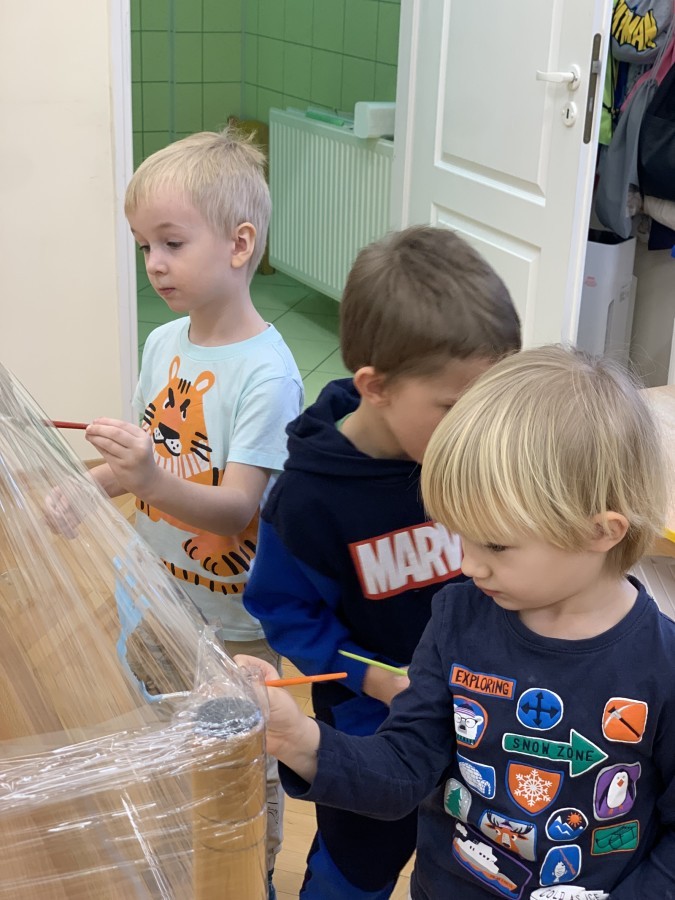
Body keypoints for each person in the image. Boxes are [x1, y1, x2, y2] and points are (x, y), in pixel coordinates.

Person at [237, 345, 675, 900]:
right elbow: (403, 767)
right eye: (458, 536)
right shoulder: (456, 618)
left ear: (601, 531)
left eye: (495, 545)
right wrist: (299, 738)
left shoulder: (662, 667)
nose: (467, 565)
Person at [242, 226, 522, 899]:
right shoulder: (305, 501)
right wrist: (375, 680)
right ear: (376, 387)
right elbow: (284, 613)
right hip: (372, 730)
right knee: (354, 870)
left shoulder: (466, 455)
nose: (478, 428)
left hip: (484, 719)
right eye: (455, 407)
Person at [84, 127, 304, 899]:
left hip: (232, 621)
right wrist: (89, 487)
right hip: (153, 596)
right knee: (165, 744)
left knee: (237, 762)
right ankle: (183, 863)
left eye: (172, 243)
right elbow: (146, 463)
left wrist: (145, 474)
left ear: (239, 244)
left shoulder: (267, 376)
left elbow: (238, 507)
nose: (154, 263)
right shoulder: (162, 342)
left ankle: (246, 878)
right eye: (145, 245)